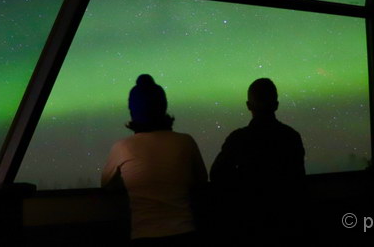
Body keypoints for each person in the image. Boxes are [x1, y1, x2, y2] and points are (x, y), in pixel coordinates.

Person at [102, 74, 207, 246]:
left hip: (143, 235)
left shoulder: (122, 147)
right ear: (163, 107)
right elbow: (201, 180)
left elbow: (106, 184)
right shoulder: (185, 142)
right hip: (185, 233)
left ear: (133, 111)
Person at [210, 78, 305, 245]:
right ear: (276, 105)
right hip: (288, 225)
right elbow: (298, 181)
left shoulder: (237, 140)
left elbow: (217, 176)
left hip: (247, 226)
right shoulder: (291, 137)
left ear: (248, 105)